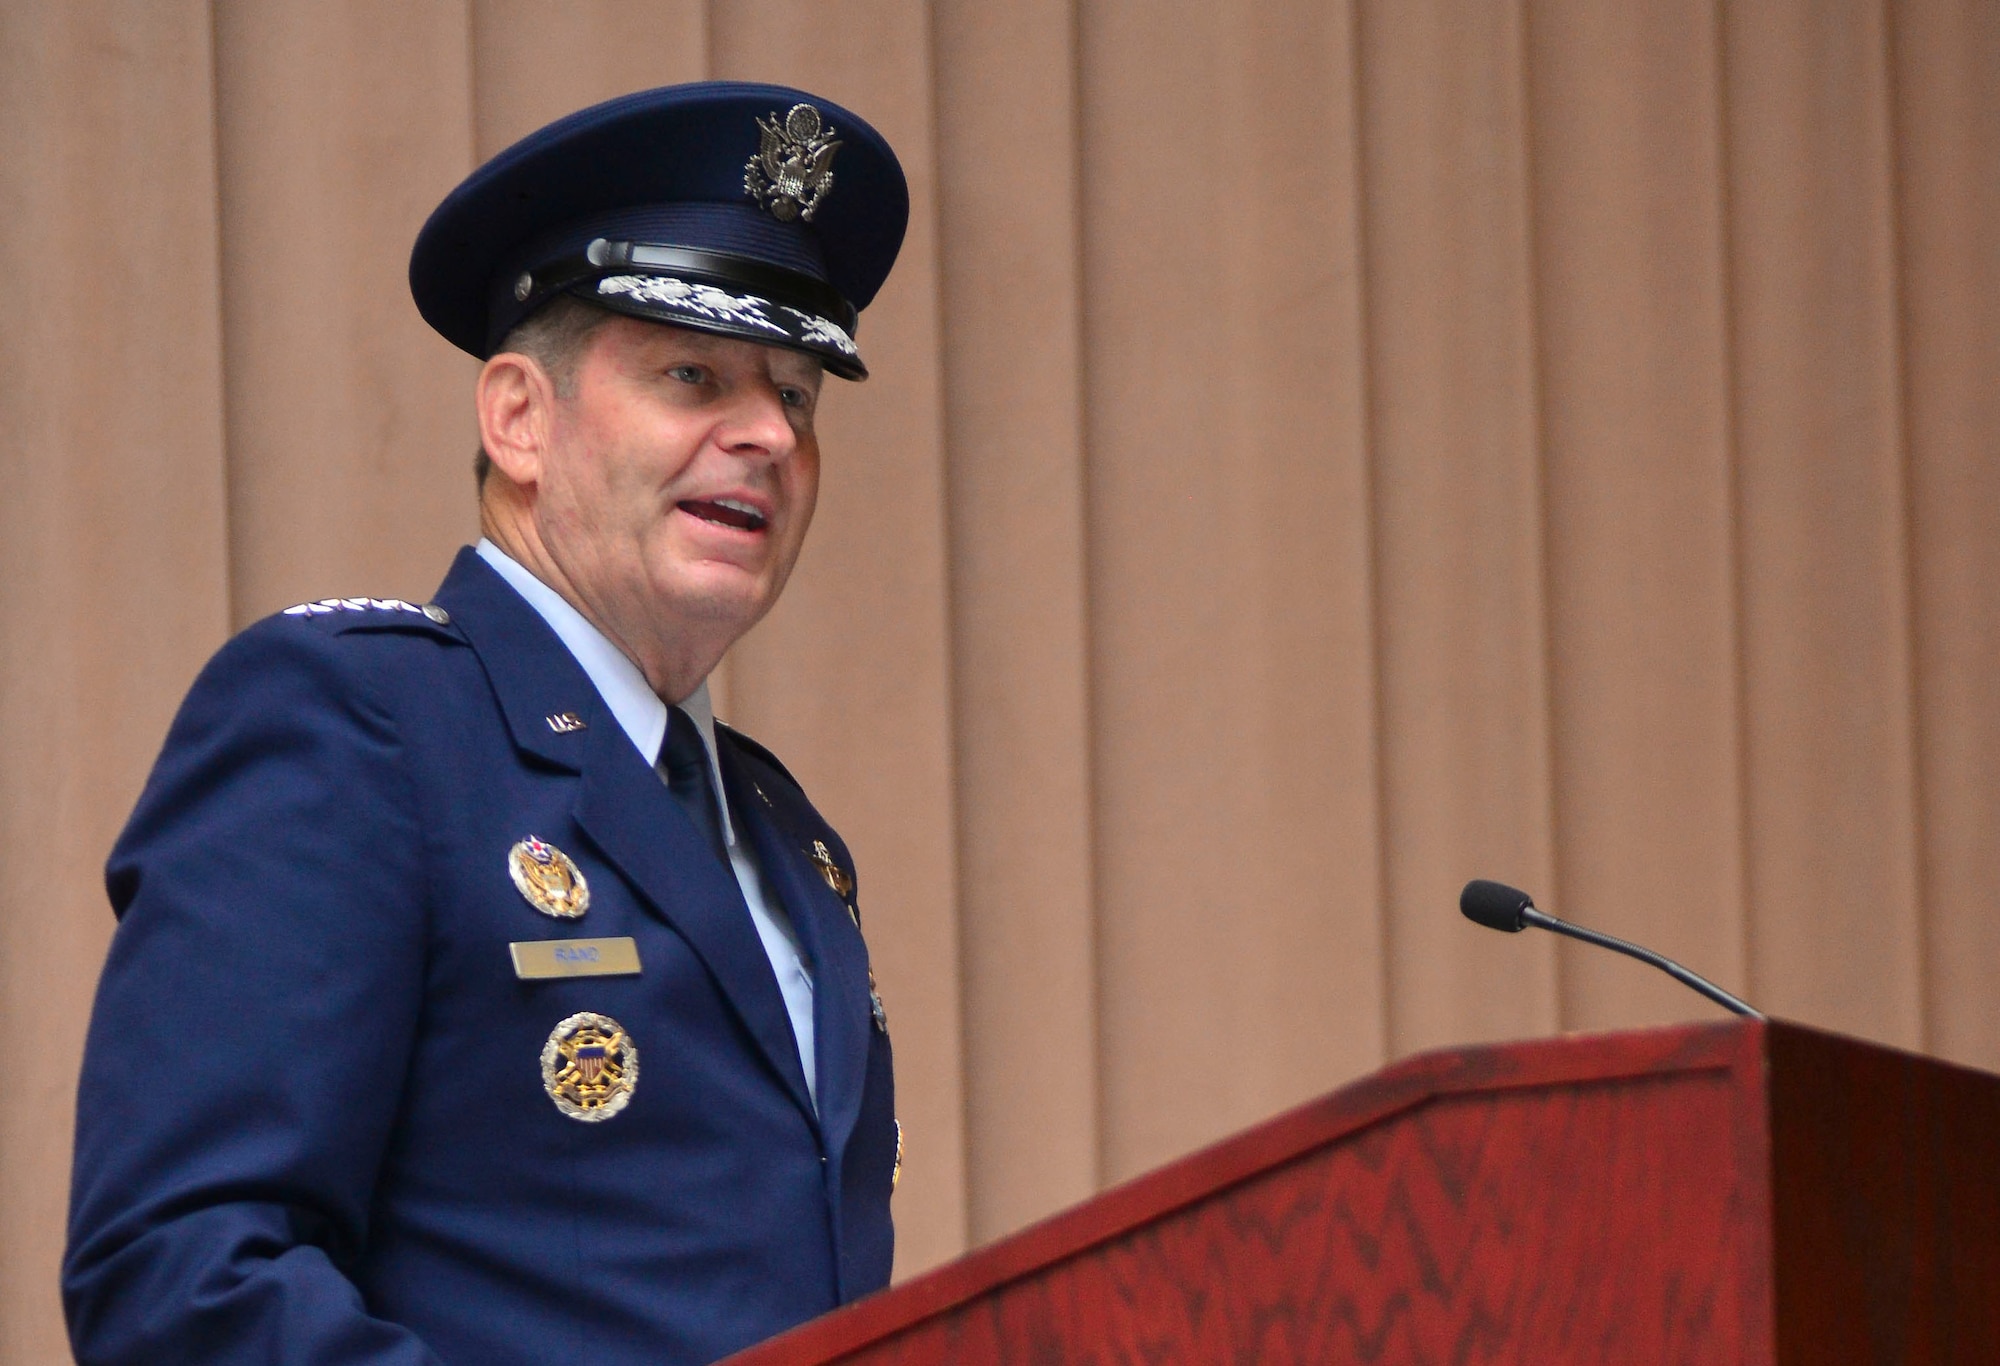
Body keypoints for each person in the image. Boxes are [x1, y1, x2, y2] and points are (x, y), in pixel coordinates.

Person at [63, 81, 907, 1366]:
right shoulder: (356, 723)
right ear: (519, 417)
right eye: (695, 374)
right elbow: (185, 1279)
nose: (765, 436)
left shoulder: (783, 834)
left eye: (796, 395)